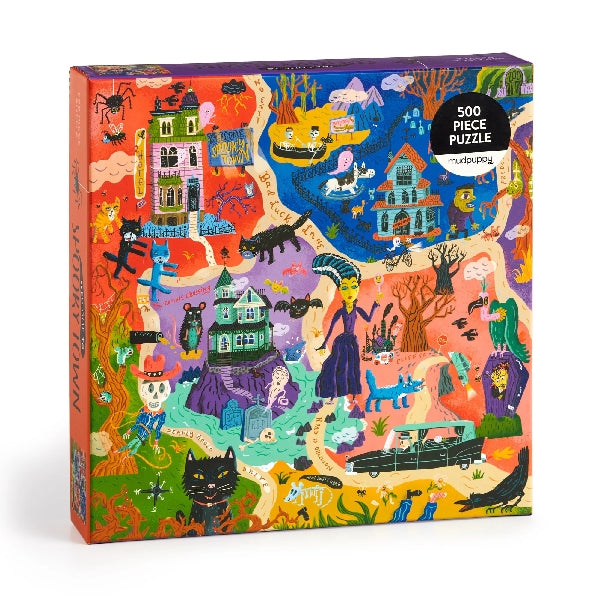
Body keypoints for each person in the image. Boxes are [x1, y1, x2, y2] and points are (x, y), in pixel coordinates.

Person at [312, 253, 382, 402]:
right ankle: (333, 394)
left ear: (357, 289)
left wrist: (375, 305)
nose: (350, 291)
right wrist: (324, 344)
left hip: (352, 342)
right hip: (341, 342)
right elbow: (331, 328)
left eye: (353, 287)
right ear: (340, 290)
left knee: (353, 368)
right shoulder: (341, 311)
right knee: (335, 367)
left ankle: (354, 395)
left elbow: (368, 319)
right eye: (345, 287)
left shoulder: (357, 309)